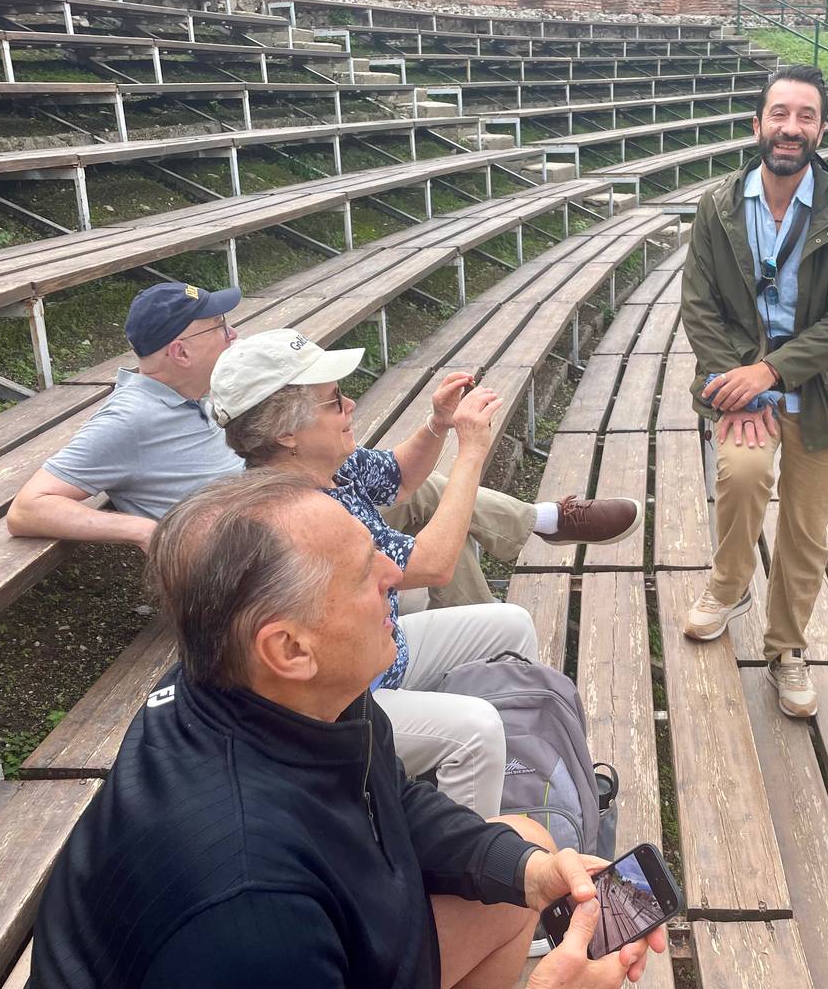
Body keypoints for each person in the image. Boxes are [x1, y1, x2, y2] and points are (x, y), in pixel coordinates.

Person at [28, 470, 665, 988]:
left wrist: (525, 871)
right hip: (267, 942)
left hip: (327, 928)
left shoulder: (275, 691)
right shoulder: (253, 913)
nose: (394, 574)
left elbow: (391, 800)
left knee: (524, 845)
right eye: (364, 572)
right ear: (289, 648)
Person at [7, 282, 641, 611]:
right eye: (220, 328)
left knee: (424, 493)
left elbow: (397, 476)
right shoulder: (129, 419)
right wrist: (146, 531)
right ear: (180, 350)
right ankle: (521, 564)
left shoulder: (218, 397)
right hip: (271, 551)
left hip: (302, 496)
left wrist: (437, 425)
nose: (234, 335)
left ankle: (528, 547)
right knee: (436, 525)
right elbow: (29, 508)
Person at [209, 328, 629, 816]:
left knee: (512, 623)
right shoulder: (296, 514)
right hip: (341, 702)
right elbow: (431, 565)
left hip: (380, 653)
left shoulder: (325, 466)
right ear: (286, 433)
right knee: (476, 730)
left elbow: (401, 477)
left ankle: (522, 772)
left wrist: (437, 424)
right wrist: (471, 451)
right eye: (334, 400)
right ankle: (473, 849)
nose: (350, 405)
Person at [677, 65, 828, 720]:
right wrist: (736, 382)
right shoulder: (719, 206)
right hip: (742, 384)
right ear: (757, 124)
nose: (792, 128)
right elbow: (700, 305)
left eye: (806, 116)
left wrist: (772, 372)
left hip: (821, 392)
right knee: (741, 476)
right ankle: (728, 585)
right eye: (780, 114)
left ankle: (787, 648)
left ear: (822, 129)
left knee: (805, 531)